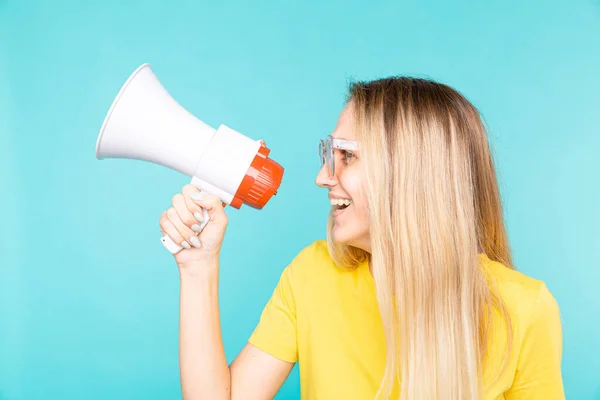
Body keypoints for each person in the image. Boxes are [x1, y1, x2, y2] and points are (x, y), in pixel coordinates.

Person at [158, 77, 565, 400]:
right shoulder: (312, 275)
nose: (322, 178)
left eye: (347, 156)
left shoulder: (522, 309)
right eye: (328, 154)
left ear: (410, 172)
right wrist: (198, 267)